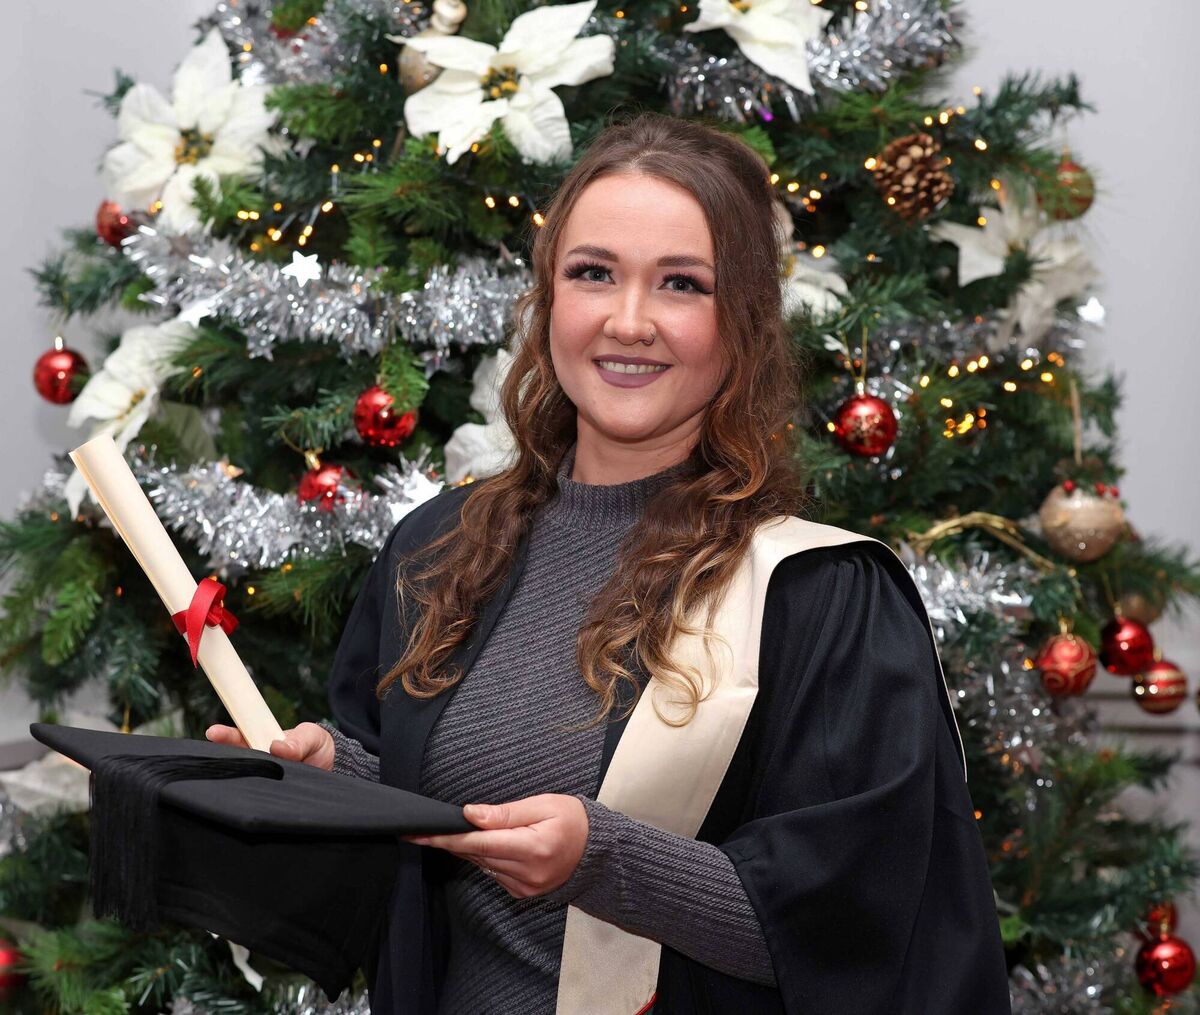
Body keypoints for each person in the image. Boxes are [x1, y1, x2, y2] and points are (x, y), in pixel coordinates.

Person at [208, 111, 1011, 1014]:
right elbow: (418, 831)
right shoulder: (440, 548)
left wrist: (602, 856)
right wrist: (333, 780)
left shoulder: (817, 598)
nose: (629, 322)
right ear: (550, 298)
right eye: (593, 273)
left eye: (681, 284)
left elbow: (865, 924)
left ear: (741, 322)